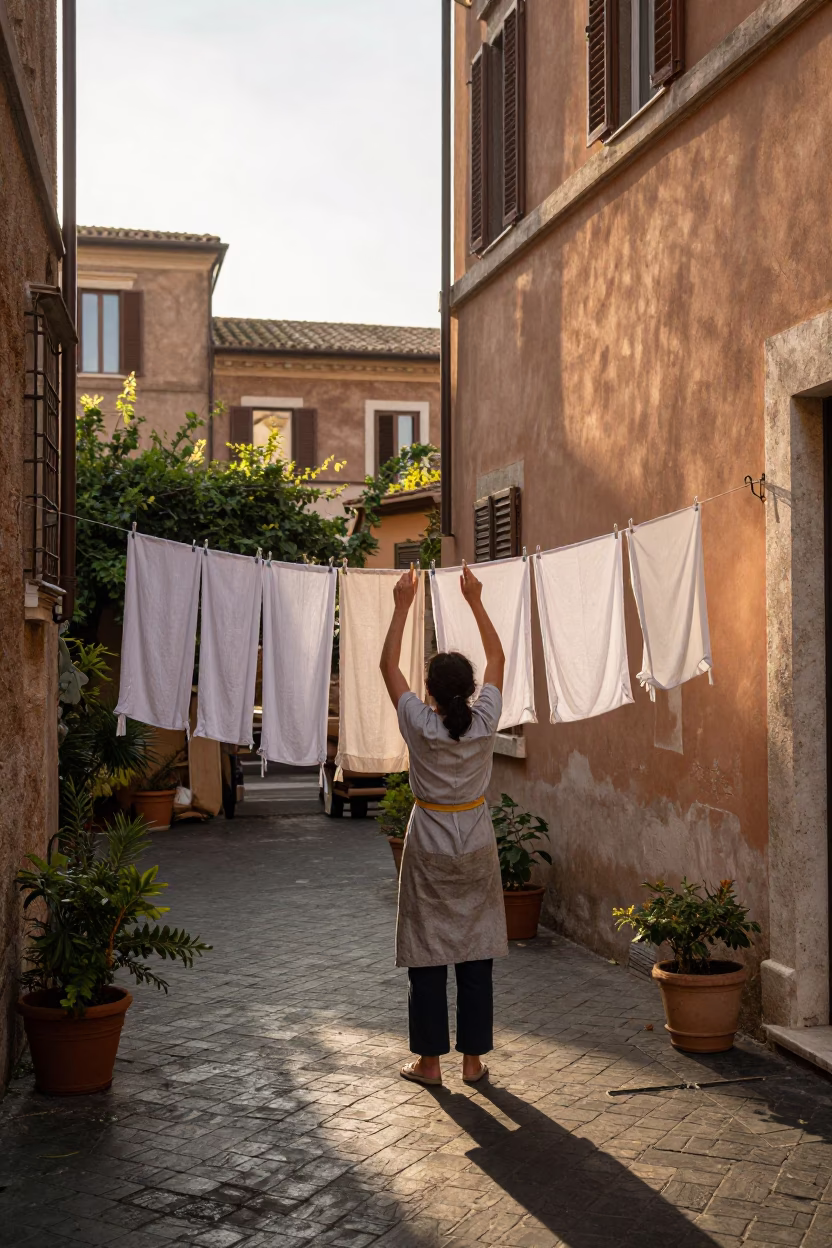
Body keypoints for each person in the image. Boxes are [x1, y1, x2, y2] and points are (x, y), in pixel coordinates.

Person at [379, 562, 508, 1087]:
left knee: (427, 952)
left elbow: (388, 665)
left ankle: (429, 1064)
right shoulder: (485, 721)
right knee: (475, 951)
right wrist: (475, 600)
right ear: (471, 688)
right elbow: (498, 655)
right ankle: (472, 1062)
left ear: (429, 691)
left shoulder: (420, 725)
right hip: (475, 839)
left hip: (429, 838)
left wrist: (402, 605)